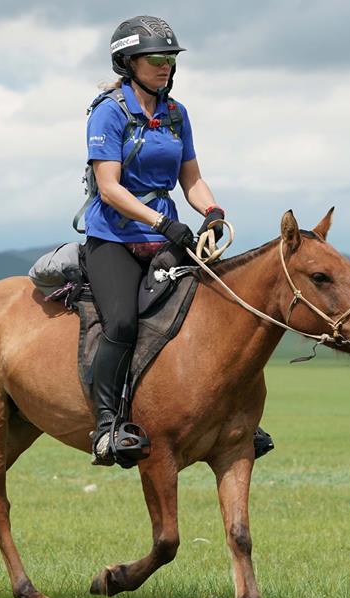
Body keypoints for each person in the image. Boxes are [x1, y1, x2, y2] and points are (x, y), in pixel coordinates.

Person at [83, 16, 269, 466]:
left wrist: (212, 211)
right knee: (123, 322)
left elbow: (193, 180)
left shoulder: (175, 114)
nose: (166, 67)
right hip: (114, 236)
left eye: (171, 59)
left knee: (213, 308)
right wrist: (164, 225)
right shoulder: (109, 111)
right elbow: (109, 187)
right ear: (128, 62)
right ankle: (108, 425)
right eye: (156, 59)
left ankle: (229, 416)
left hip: (167, 231)